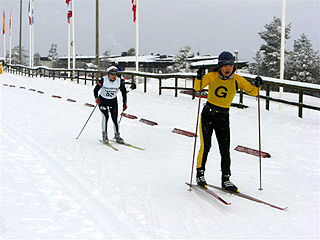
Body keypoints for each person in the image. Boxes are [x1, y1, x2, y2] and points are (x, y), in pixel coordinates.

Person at [194, 51, 263, 192]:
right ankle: (200, 174)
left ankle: (226, 179)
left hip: (223, 117)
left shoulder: (237, 80)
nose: (227, 68)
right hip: (208, 114)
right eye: (225, 65)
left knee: (225, 149)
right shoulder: (212, 76)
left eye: (230, 65)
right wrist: (198, 77)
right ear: (219, 65)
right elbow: (197, 87)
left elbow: (253, 91)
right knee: (205, 146)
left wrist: (258, 85)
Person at [93, 66, 128, 144]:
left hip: (113, 101)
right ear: (108, 74)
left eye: (115, 74)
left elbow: (123, 92)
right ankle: (104, 136)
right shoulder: (103, 80)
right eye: (112, 74)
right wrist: (96, 98)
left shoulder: (120, 81)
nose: (114, 76)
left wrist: (124, 103)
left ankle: (117, 136)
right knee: (105, 117)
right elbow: (95, 90)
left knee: (115, 118)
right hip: (102, 100)